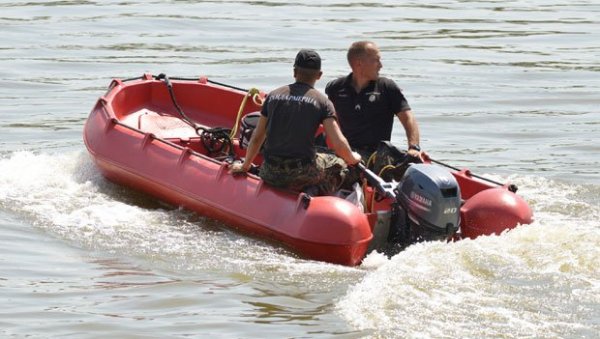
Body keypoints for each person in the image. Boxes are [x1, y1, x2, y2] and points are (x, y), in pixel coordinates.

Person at [230, 49, 361, 195]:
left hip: (269, 173)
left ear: (294, 72)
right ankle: (318, 190)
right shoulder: (322, 102)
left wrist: (245, 166)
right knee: (340, 165)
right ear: (319, 76)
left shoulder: (273, 96)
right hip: (303, 173)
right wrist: (353, 158)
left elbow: (257, 137)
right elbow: (338, 143)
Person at [325, 41, 421, 163]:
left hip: (376, 157)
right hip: (347, 154)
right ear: (359, 63)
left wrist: (414, 147)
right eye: (376, 60)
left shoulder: (387, 87)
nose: (381, 65)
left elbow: (408, 119)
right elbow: (327, 122)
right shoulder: (336, 88)